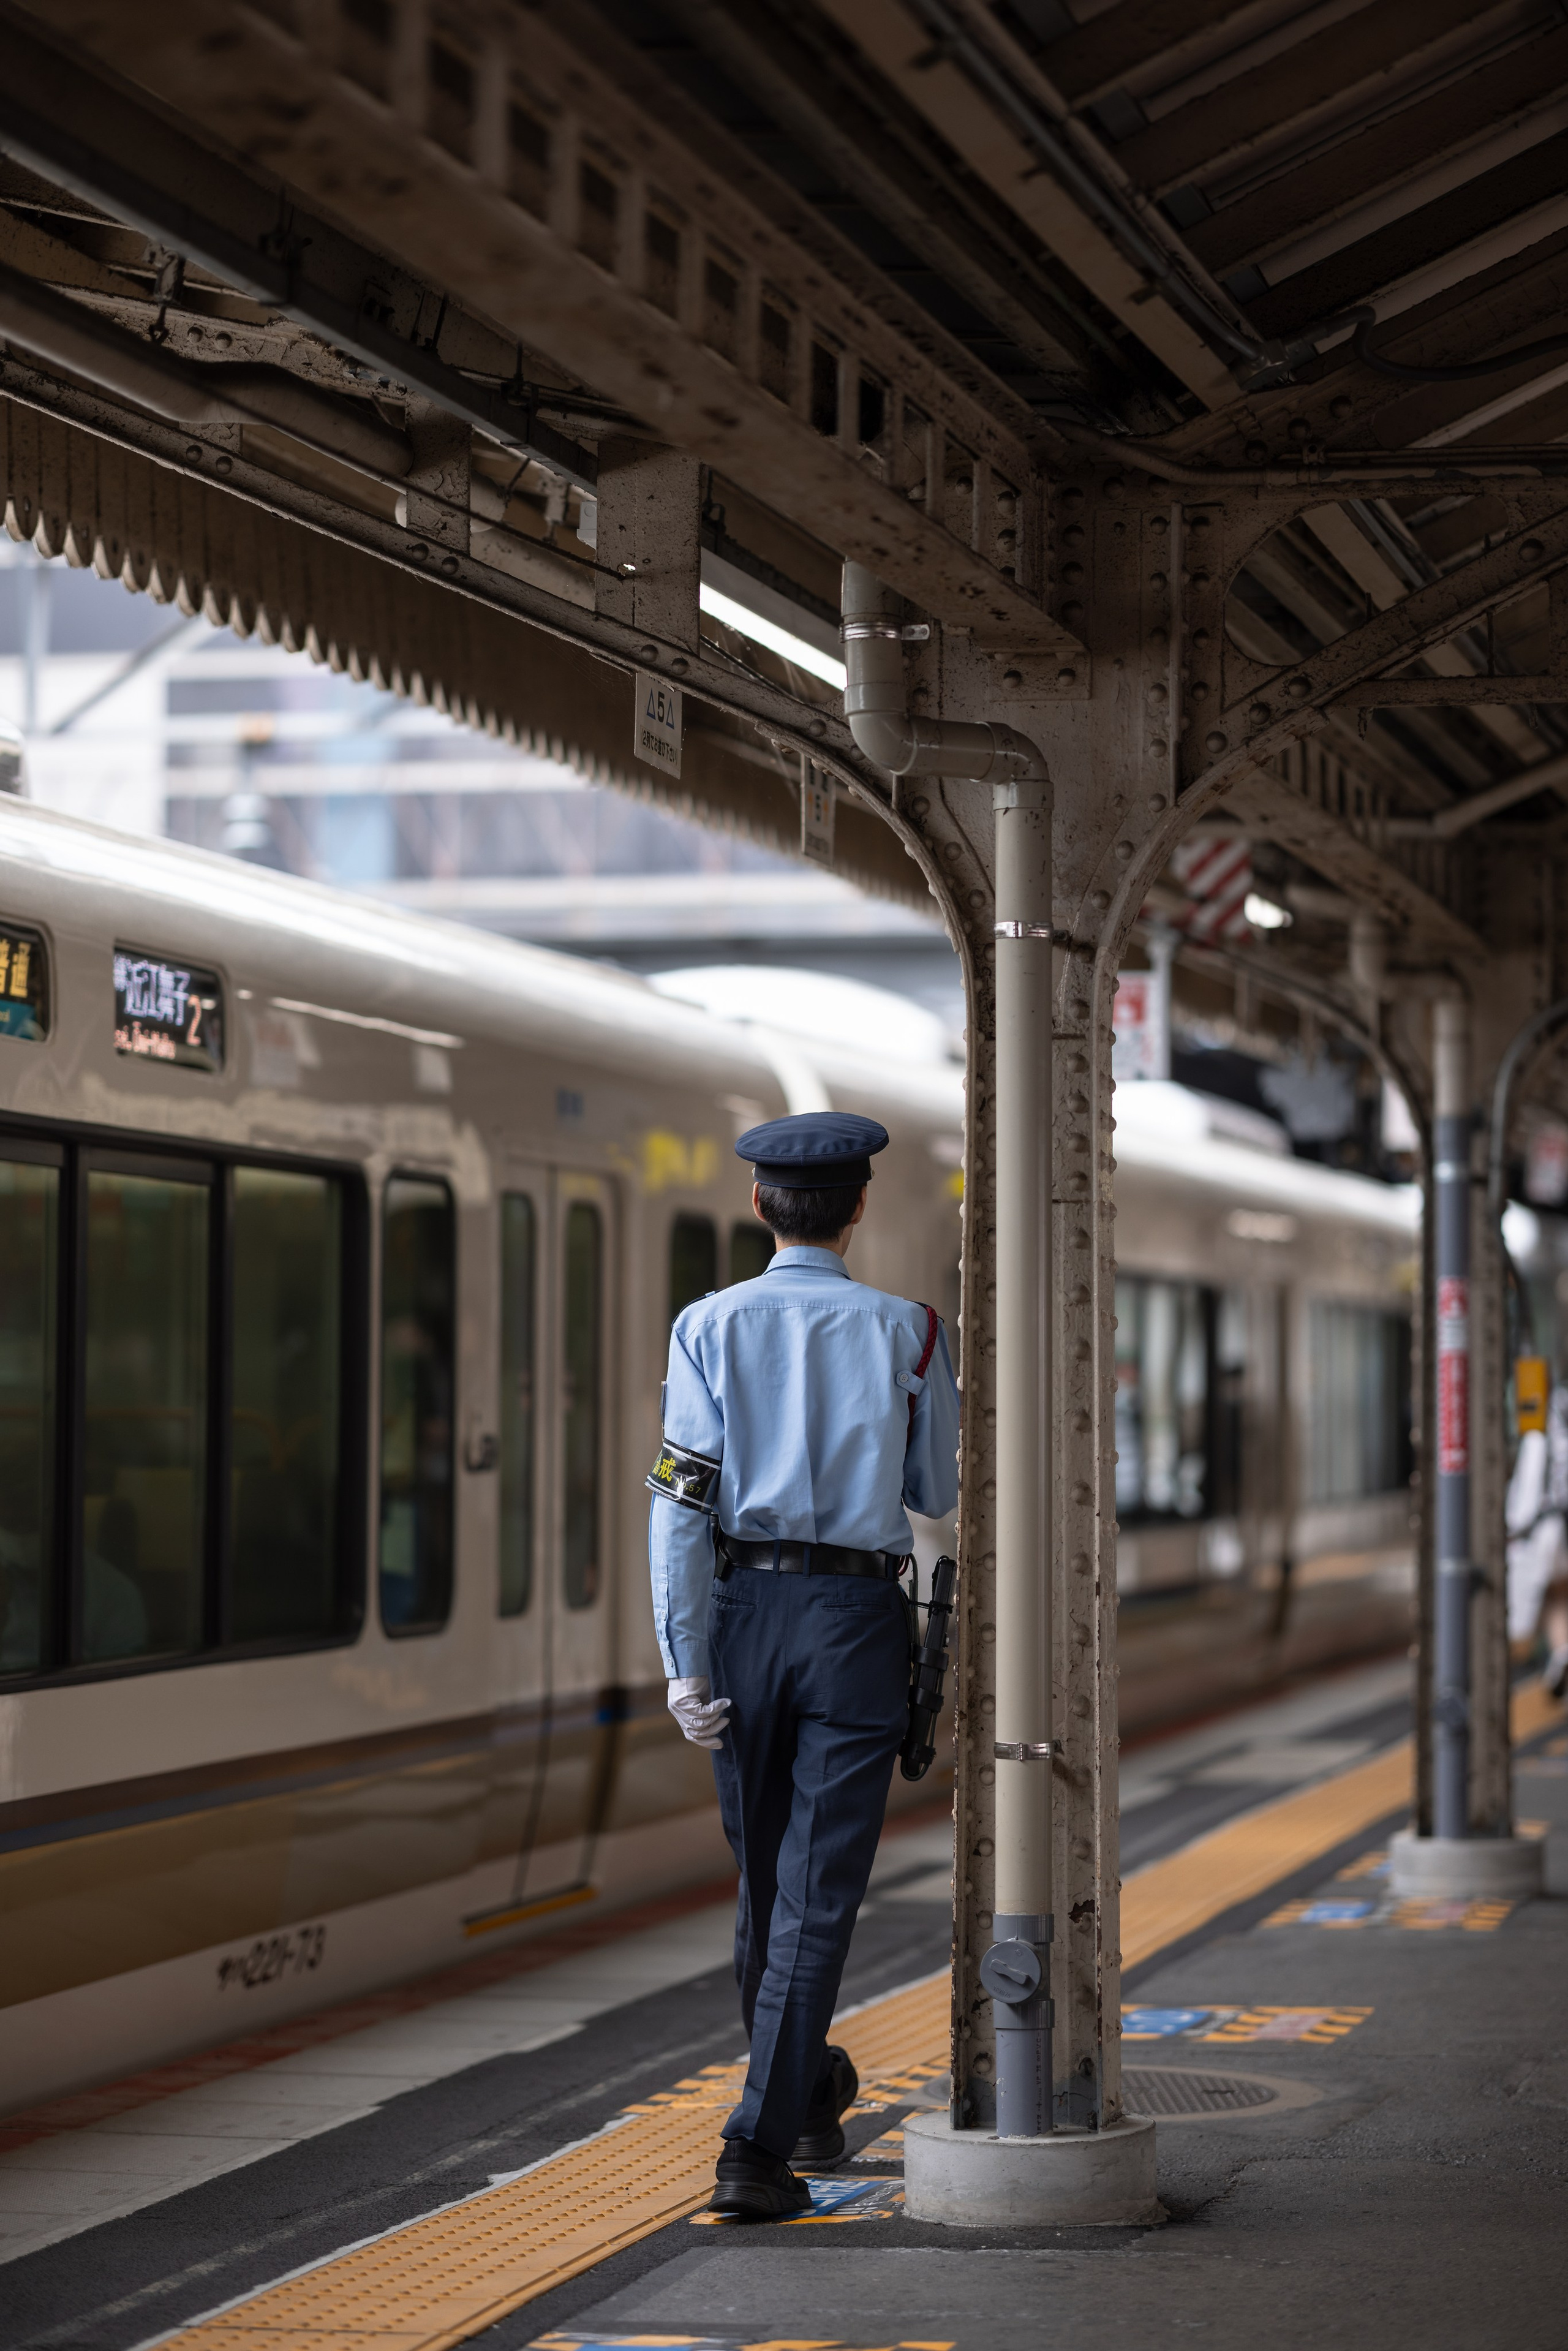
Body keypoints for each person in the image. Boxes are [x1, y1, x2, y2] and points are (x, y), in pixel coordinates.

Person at [647, 1111, 960, 2221]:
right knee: (816, 1897)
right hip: (857, 1621)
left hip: (743, 1613)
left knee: (764, 1880)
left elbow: (682, 1501)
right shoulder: (912, 1330)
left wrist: (684, 1659)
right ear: (859, 1207)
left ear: (758, 1206)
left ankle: (804, 2095)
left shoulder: (704, 1327)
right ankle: (758, 2146)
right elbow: (934, 1492)